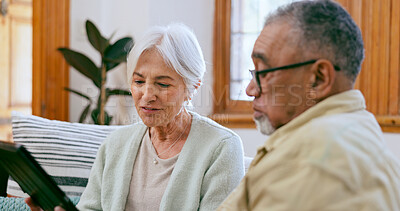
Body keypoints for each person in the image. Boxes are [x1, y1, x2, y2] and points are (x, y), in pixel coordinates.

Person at [26, 23, 245, 211]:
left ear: (192, 87)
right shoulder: (115, 145)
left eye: (163, 84)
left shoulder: (222, 148)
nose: (147, 96)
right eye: (139, 82)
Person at [218, 0, 400, 210]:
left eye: (264, 73)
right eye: (253, 73)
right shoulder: (357, 126)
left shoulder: (309, 158)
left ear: (319, 79)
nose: (250, 90)